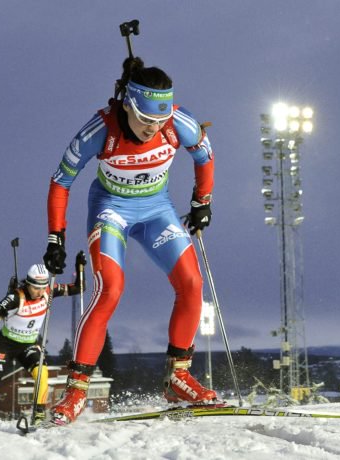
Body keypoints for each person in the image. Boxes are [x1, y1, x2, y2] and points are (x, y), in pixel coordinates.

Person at [42, 55, 217, 425]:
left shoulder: (176, 122)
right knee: (110, 290)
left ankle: (178, 379)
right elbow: (61, 181)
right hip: (112, 210)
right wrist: (55, 237)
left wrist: (202, 201)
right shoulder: (99, 130)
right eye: (145, 120)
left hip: (156, 210)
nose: (153, 129)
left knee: (192, 283)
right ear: (127, 105)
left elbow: (205, 153)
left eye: (160, 120)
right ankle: (75, 392)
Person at [0, 255, 86, 423]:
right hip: (5, 345)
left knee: (42, 374)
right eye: (36, 288)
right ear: (28, 284)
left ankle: (38, 415)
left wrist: (80, 267)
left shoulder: (48, 291)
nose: (40, 292)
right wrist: (1, 312)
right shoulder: (17, 296)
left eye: (43, 287)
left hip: (28, 345)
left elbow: (78, 288)